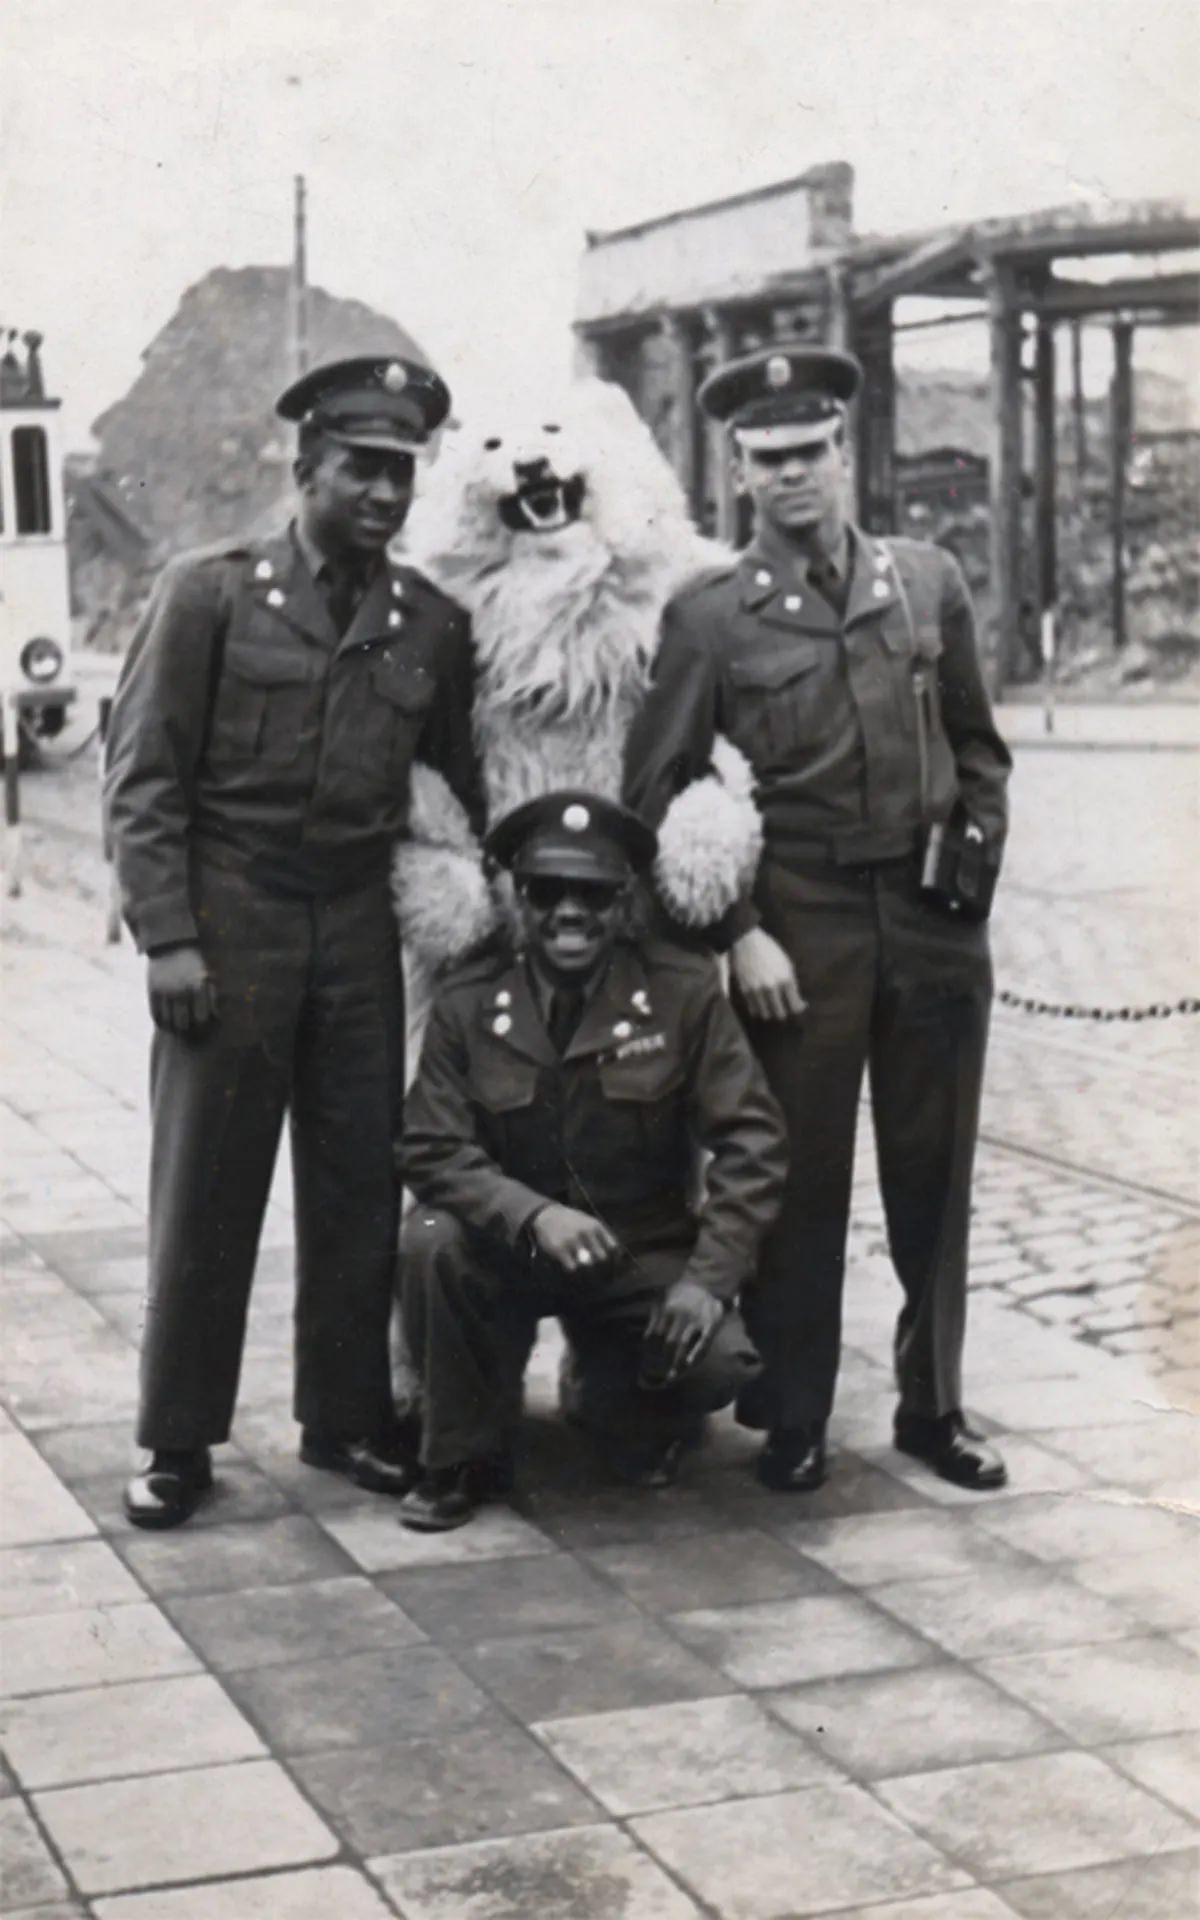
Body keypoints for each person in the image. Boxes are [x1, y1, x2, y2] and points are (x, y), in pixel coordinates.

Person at [624, 344, 1011, 1495]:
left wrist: (970, 869)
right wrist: (738, 927)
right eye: (768, 458)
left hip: (933, 926)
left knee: (934, 1181)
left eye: (812, 452)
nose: (794, 474)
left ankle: (932, 1407)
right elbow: (656, 790)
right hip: (803, 935)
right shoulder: (709, 618)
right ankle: (794, 1414)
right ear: (739, 473)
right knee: (798, 1183)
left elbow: (980, 748)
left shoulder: (925, 579)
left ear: (846, 456)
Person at [104, 355, 482, 1528]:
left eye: (401, 473)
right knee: (207, 1190)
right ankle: (176, 1439)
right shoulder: (208, 592)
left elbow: (454, 784)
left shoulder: (430, 620)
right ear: (304, 466)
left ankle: (345, 1416)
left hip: (355, 931)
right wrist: (168, 938)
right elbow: (144, 777)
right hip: (232, 923)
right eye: (361, 469)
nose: (383, 493)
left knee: (357, 1183)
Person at [397, 790, 786, 1531]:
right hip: (509, 1253)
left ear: (626, 901)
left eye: (594, 893)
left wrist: (708, 1282)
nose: (569, 912)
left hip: (633, 1257)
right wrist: (532, 1215)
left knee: (716, 1364)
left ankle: (622, 1401)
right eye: (548, 891)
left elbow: (754, 1141)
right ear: (518, 897)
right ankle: (459, 1454)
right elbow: (430, 1144)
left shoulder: (684, 993)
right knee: (431, 1241)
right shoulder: (470, 1001)